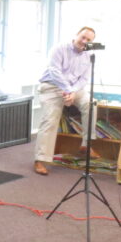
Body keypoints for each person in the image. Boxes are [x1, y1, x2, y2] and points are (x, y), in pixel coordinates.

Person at [33, 26, 98, 176]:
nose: (84, 41)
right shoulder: (59, 49)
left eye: (88, 40)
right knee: (50, 120)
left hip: (74, 89)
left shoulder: (90, 55)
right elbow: (54, 71)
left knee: (91, 103)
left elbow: (85, 79)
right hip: (52, 86)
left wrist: (72, 92)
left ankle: (86, 144)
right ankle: (40, 159)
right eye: (83, 37)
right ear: (76, 35)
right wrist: (68, 90)